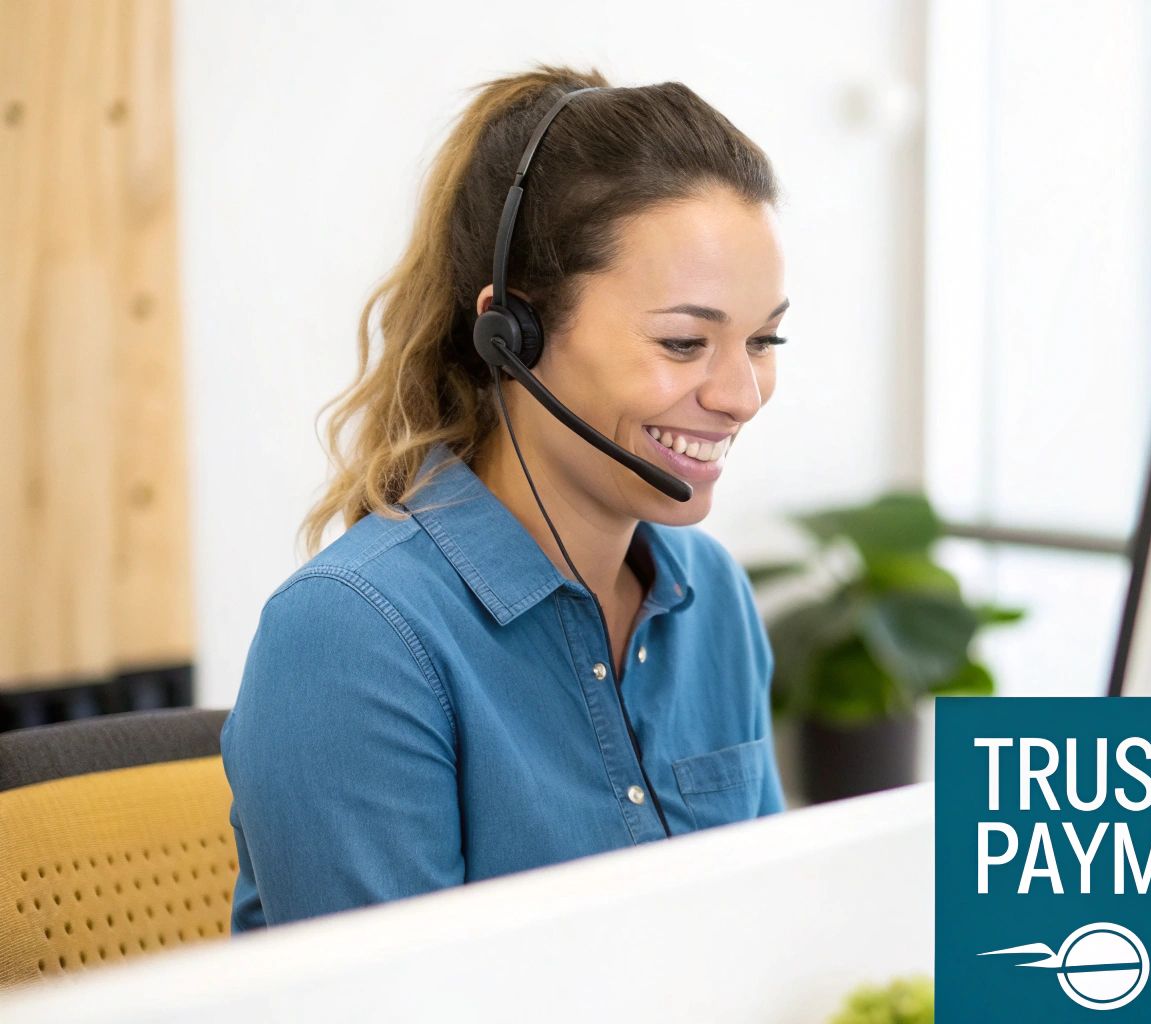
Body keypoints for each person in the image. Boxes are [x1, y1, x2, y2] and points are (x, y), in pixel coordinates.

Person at [219, 64, 790, 931]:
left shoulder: (710, 598)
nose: (741, 396)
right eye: (683, 342)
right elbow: (393, 998)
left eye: (764, 340)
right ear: (513, 334)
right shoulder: (354, 636)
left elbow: (766, 929)